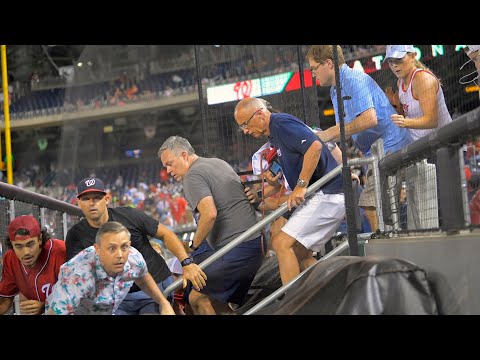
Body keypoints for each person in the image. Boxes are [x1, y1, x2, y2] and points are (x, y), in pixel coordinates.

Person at [234, 97, 346, 285]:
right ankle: (321, 295)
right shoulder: (275, 134)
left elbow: (315, 146)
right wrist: (263, 191)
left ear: (260, 114)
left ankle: (293, 303)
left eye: (245, 124)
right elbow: (291, 167)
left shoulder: (281, 123)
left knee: (281, 243)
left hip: (327, 193)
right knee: (300, 254)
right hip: (322, 194)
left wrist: (301, 186)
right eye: (241, 127)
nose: (245, 130)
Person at [306, 45, 413, 232]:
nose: (313, 73)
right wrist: (320, 140)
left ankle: (386, 249)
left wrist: (326, 135)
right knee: (377, 206)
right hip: (376, 152)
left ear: (329, 63)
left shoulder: (353, 79)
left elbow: (369, 119)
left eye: (314, 68)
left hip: (391, 147)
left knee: (371, 205)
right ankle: (389, 243)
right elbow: (343, 130)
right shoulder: (334, 89)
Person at [65, 177, 206, 315]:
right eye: (85, 199)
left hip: (155, 285)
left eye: (96, 197)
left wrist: (186, 263)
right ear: (78, 203)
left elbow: (166, 235)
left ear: (106, 199)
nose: (92, 203)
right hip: (119, 297)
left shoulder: (129, 215)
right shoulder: (75, 235)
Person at [158, 136, 265, 315]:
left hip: (240, 247)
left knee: (197, 297)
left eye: (170, 163)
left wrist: (193, 246)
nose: (168, 170)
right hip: (252, 242)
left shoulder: (192, 176)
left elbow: (209, 214)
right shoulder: (216, 162)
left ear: (184, 155)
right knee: (197, 289)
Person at [45, 221, 175, 315]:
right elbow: (54, 312)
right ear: (97, 249)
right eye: (112, 248)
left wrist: (164, 303)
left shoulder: (133, 256)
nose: (120, 255)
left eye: (124, 247)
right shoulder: (78, 276)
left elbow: (142, 278)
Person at [384, 45, 452, 142]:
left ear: (413, 56)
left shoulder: (422, 79)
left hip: (446, 146)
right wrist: (395, 107)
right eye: (390, 61)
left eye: (398, 59)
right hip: (424, 148)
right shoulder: (400, 82)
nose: (394, 65)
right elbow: (411, 116)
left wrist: (404, 122)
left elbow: (432, 121)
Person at [0, 215, 66, 315]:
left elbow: (79, 294)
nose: (26, 252)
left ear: (40, 239)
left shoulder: (61, 251)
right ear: (12, 244)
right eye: (18, 246)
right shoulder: (10, 258)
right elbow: (5, 299)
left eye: (30, 244)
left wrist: (46, 306)